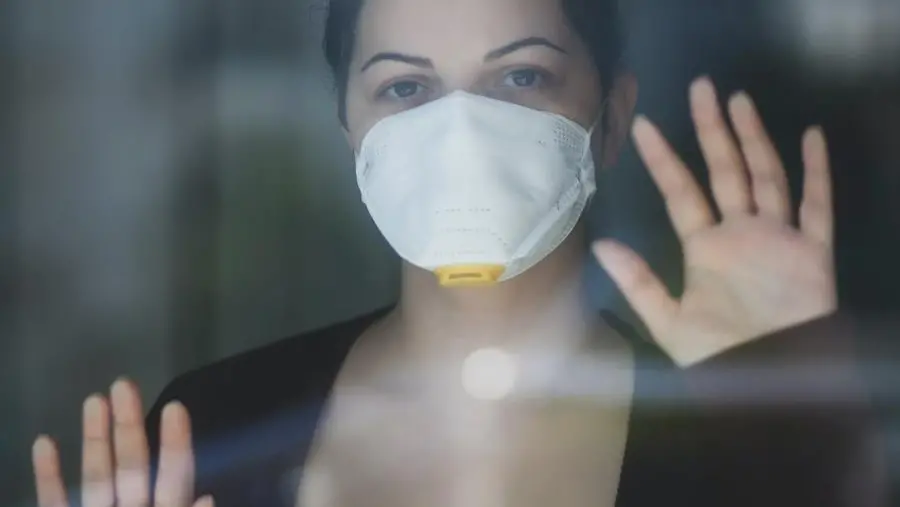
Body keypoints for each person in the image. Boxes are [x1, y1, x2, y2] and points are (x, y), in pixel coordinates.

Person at [30, 0, 885, 506]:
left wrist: (802, 425)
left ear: (613, 117)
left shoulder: (732, 442)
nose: (460, 128)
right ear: (350, 130)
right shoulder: (211, 430)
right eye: (406, 87)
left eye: (521, 77)